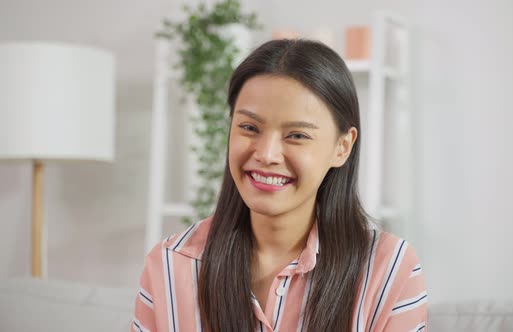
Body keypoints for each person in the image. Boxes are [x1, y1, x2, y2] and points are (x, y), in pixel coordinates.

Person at [132, 39, 427, 332]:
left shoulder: (389, 270)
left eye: (296, 135)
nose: (266, 154)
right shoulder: (170, 265)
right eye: (249, 128)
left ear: (342, 147)